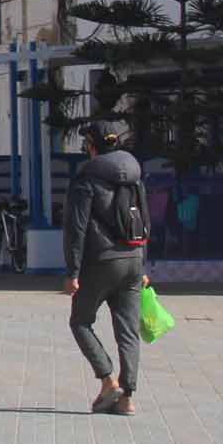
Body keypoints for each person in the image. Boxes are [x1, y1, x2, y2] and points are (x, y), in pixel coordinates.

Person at [63, 122, 149, 416]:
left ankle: (108, 381)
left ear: (91, 146)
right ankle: (127, 399)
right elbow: (144, 220)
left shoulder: (87, 178)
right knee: (128, 331)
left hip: (101, 261)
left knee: (80, 321)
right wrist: (143, 263)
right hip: (134, 259)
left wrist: (73, 271)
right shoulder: (135, 176)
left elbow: (76, 226)